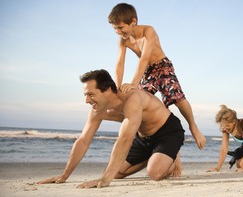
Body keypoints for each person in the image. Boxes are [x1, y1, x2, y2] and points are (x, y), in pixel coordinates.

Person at [37, 69, 185, 189]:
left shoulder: (132, 99)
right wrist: (64, 176)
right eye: (85, 95)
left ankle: (171, 155)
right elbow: (83, 140)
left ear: (107, 90)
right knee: (118, 172)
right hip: (144, 136)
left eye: (91, 94)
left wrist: (105, 179)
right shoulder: (98, 110)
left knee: (155, 173)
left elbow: (125, 139)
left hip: (168, 131)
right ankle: (156, 155)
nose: (86, 100)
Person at [108, 3, 206, 150]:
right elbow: (119, 63)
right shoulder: (123, 40)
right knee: (141, 104)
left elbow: (144, 58)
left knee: (177, 99)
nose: (118, 32)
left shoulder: (149, 31)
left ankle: (193, 127)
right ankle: (159, 143)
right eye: (115, 28)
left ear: (133, 22)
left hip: (162, 66)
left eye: (120, 27)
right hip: (147, 72)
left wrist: (134, 83)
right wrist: (117, 86)